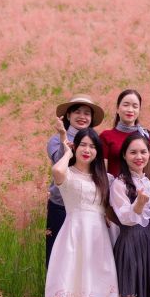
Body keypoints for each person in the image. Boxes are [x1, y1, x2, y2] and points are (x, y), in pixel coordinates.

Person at [44, 125, 119, 297]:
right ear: (75, 147)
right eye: (82, 145)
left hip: (99, 237)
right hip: (74, 233)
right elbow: (56, 170)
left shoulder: (106, 178)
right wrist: (66, 151)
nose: (87, 150)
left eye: (92, 146)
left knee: (97, 278)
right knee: (70, 277)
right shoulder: (67, 174)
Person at [110, 132, 150, 297]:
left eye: (143, 152)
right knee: (130, 286)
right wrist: (139, 204)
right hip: (130, 242)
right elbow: (126, 218)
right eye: (133, 152)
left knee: (149, 285)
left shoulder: (149, 184)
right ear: (124, 155)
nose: (138, 156)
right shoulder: (119, 183)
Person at [46, 95, 105, 268]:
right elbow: (59, 164)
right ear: (68, 116)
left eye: (87, 113)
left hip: (87, 209)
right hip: (61, 206)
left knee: (83, 260)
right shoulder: (56, 139)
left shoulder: (95, 141)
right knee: (57, 256)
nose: (82, 116)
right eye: (77, 112)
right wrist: (64, 137)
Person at [99, 89, 150, 177]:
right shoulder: (106, 137)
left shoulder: (147, 137)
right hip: (113, 188)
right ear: (117, 109)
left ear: (139, 110)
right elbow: (102, 172)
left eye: (135, 106)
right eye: (126, 105)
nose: (130, 110)